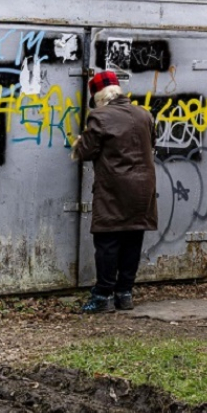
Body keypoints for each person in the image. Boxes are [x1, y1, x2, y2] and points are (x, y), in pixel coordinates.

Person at [72, 70, 158, 313]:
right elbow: (152, 143)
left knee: (108, 240)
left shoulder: (99, 116)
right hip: (143, 187)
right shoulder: (144, 114)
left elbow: (85, 152)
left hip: (114, 188)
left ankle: (102, 295)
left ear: (99, 97)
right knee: (133, 238)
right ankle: (125, 293)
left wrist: (78, 142)